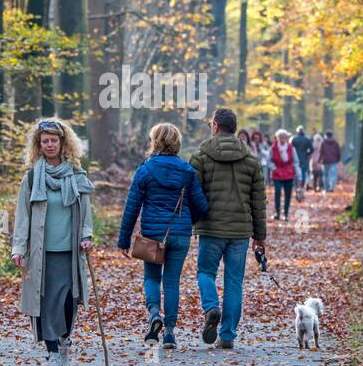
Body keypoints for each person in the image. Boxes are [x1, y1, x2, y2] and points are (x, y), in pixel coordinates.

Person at [10, 119, 94, 366]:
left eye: (53, 140)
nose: (48, 145)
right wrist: (18, 248)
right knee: (44, 304)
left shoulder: (77, 176)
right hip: (40, 253)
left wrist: (86, 236)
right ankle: (53, 354)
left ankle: (65, 343)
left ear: (62, 143)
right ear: (39, 144)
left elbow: (86, 212)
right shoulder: (33, 177)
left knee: (68, 301)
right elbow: (22, 214)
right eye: (44, 141)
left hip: (69, 252)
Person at [117, 123, 210, 351]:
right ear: (176, 142)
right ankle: (169, 333)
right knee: (171, 282)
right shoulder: (187, 171)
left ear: (155, 141)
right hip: (179, 234)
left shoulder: (145, 170)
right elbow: (201, 205)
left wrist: (124, 240)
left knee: (151, 278)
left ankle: (154, 314)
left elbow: (132, 207)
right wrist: (188, 221)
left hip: (152, 235)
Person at [190, 108, 267, 350]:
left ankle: (211, 306)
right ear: (235, 128)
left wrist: (194, 221)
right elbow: (258, 202)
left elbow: (193, 194)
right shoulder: (251, 160)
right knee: (234, 282)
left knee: (205, 273)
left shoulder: (201, 157)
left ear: (215, 126)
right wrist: (260, 236)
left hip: (211, 228)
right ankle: (227, 335)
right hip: (240, 232)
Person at [270, 128, 297, 221]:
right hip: (277, 174)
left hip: (289, 174)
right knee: (277, 193)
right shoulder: (273, 148)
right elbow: (270, 161)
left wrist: (298, 174)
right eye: (280, 137)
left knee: (288, 194)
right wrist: (274, 168)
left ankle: (286, 214)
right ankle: (277, 213)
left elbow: (296, 161)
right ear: (277, 138)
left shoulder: (291, 148)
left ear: (287, 138)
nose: (282, 139)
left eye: (284, 137)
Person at [291, 126, 314, 190]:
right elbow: (312, 149)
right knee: (303, 172)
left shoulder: (294, 139)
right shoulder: (307, 139)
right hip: (304, 158)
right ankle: (301, 185)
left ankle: (296, 186)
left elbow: (290, 148)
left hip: (295, 158)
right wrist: (307, 154)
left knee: (295, 172)